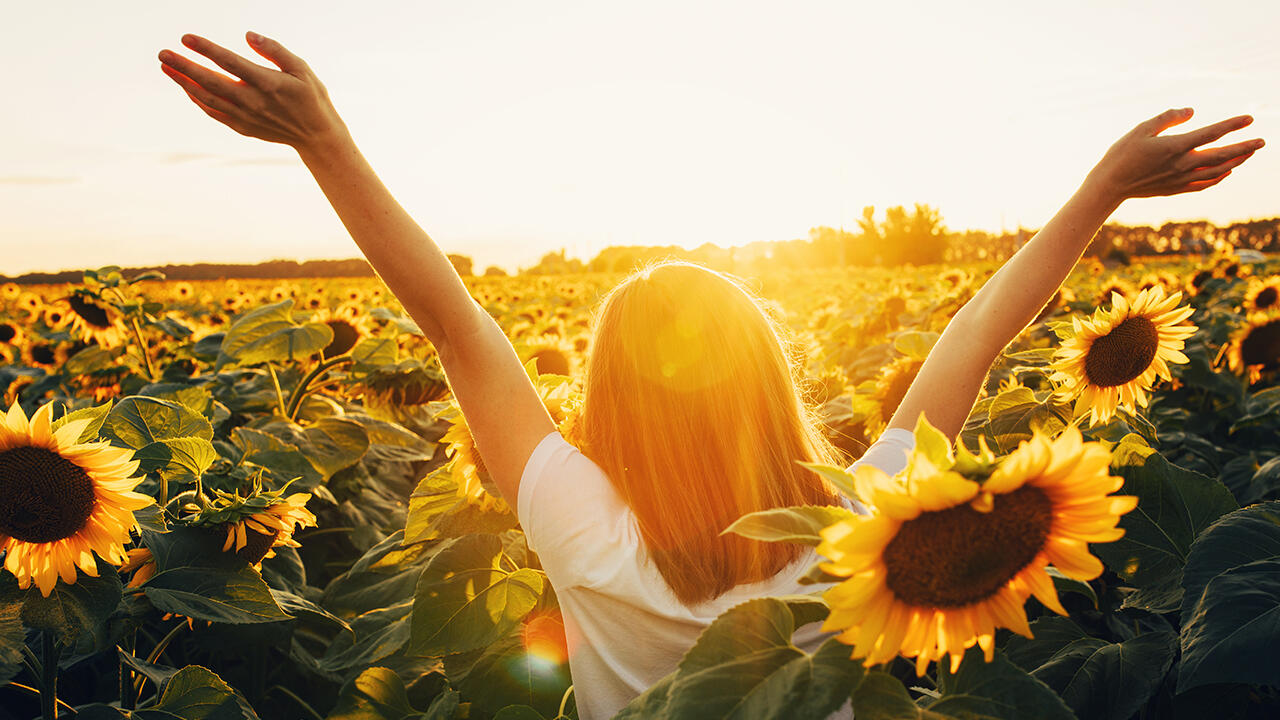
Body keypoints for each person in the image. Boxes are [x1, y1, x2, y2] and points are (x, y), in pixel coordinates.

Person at [157, 32, 1263, 719]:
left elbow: (453, 325)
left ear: (607, 393)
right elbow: (975, 332)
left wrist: (325, 144)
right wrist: (1097, 191)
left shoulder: (579, 523)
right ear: (767, 376)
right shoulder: (860, 516)